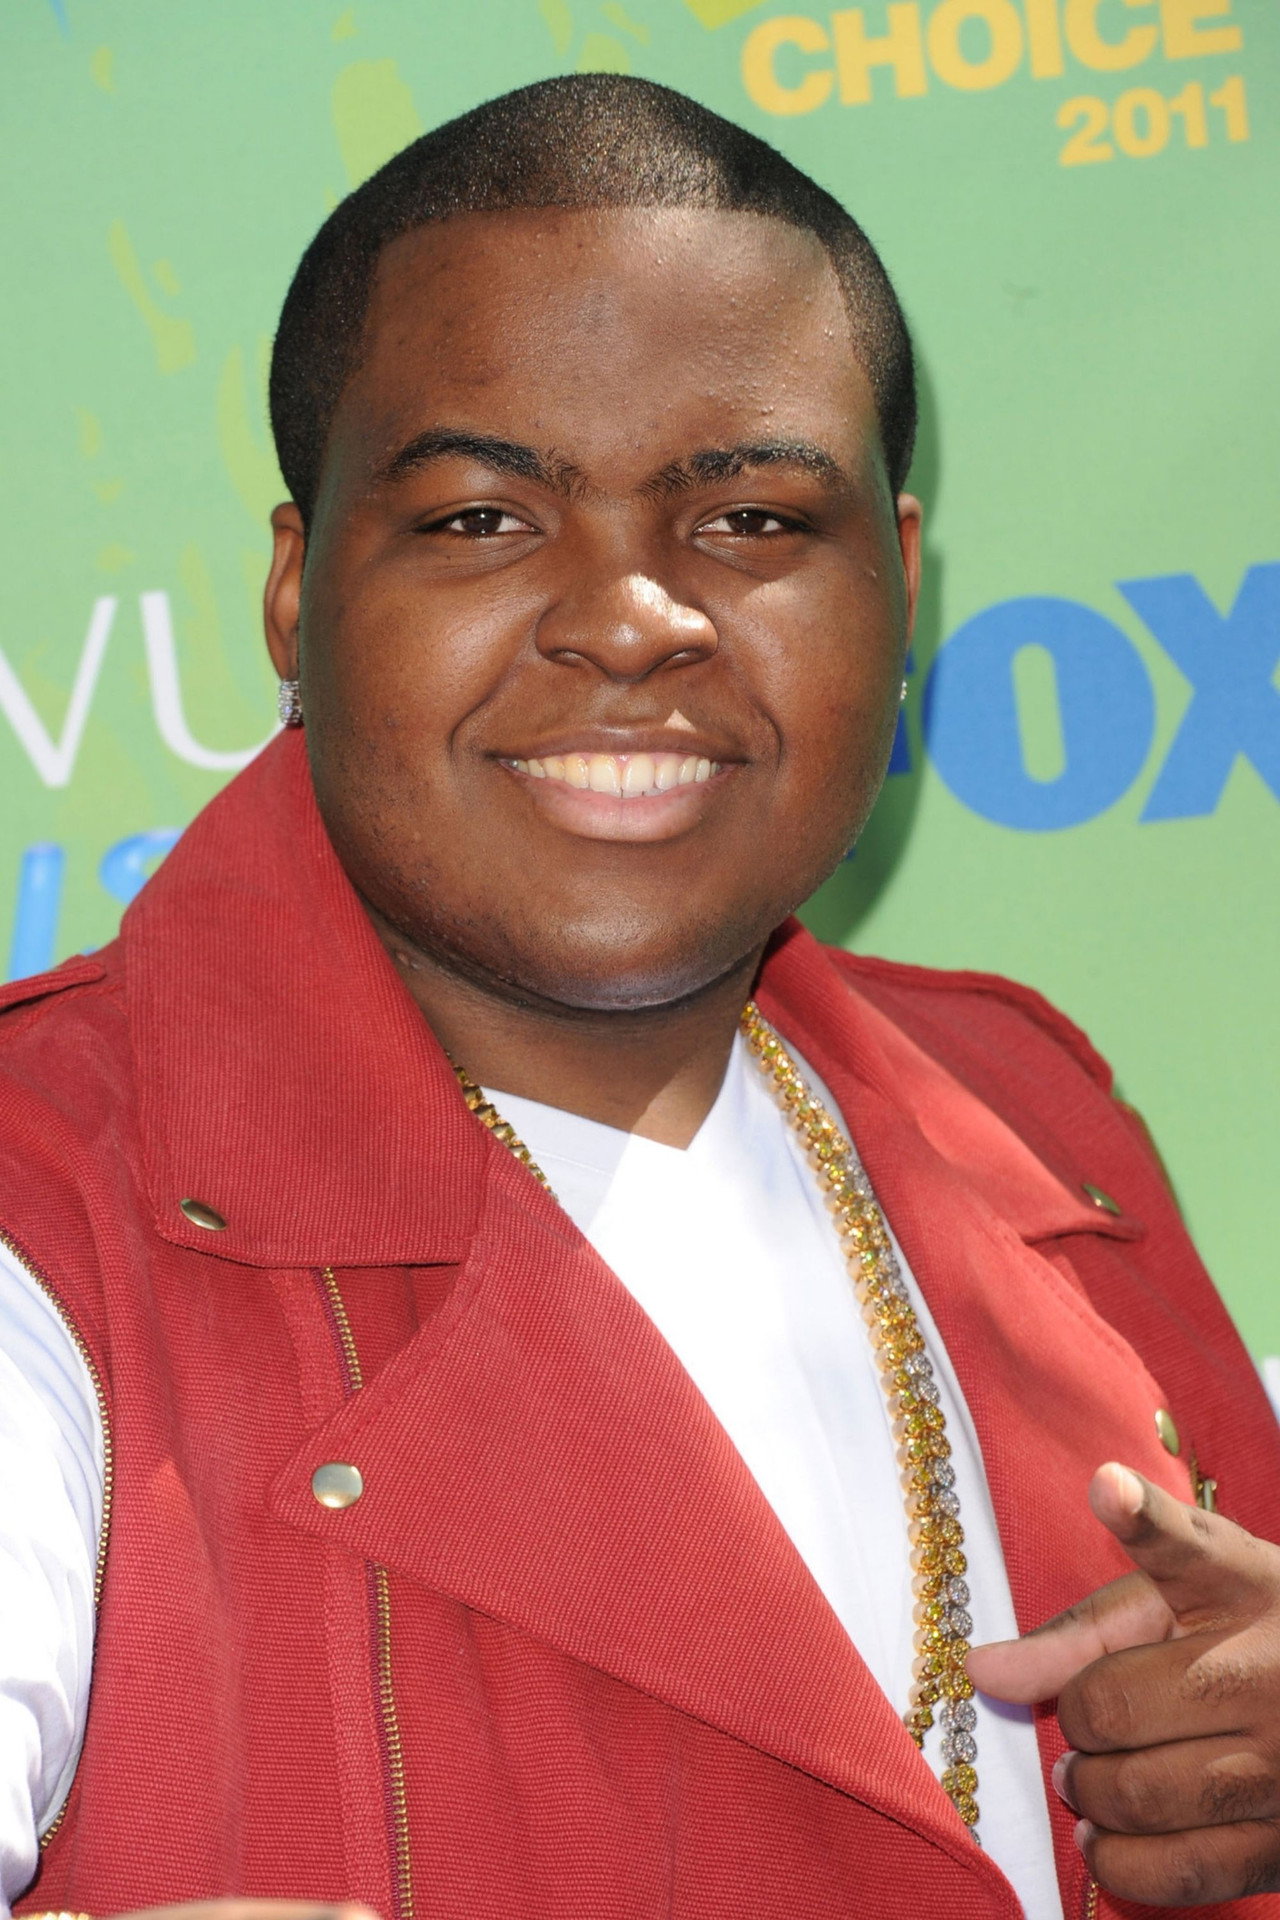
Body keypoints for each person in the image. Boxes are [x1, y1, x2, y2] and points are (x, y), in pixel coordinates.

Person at [1, 72, 1278, 1920]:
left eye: (750, 520)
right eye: (479, 520)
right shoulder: (43, 1206)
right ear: (295, 594)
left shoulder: (1032, 1110)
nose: (631, 617)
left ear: (900, 585)